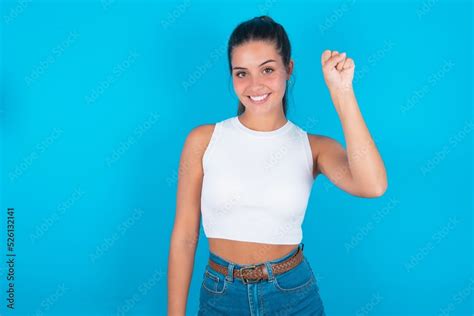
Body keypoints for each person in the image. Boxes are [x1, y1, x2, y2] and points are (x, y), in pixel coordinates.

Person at [168, 15, 387, 315]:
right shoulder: (203, 140)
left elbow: (373, 185)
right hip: (221, 295)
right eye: (241, 73)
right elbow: (184, 235)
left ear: (289, 69)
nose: (254, 85)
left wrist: (342, 93)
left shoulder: (314, 147)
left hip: (293, 294)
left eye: (267, 69)